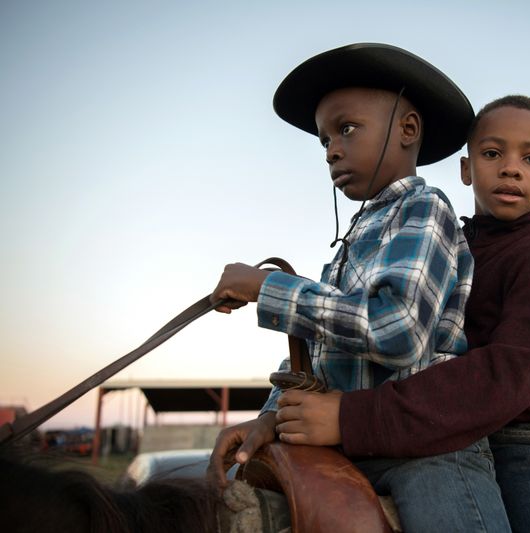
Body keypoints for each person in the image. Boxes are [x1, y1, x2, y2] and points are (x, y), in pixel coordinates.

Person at [207, 43, 512, 532]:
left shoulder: (425, 208)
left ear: (407, 130)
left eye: (346, 129)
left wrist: (270, 287)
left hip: (428, 450)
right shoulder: (354, 239)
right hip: (350, 443)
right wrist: (270, 417)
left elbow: (398, 329)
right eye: (324, 139)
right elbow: (319, 353)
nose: (331, 148)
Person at [275, 95, 530, 532]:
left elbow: (507, 374)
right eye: (492, 153)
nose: (511, 168)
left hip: (524, 437)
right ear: (466, 169)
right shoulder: (444, 243)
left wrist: (353, 418)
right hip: (439, 420)